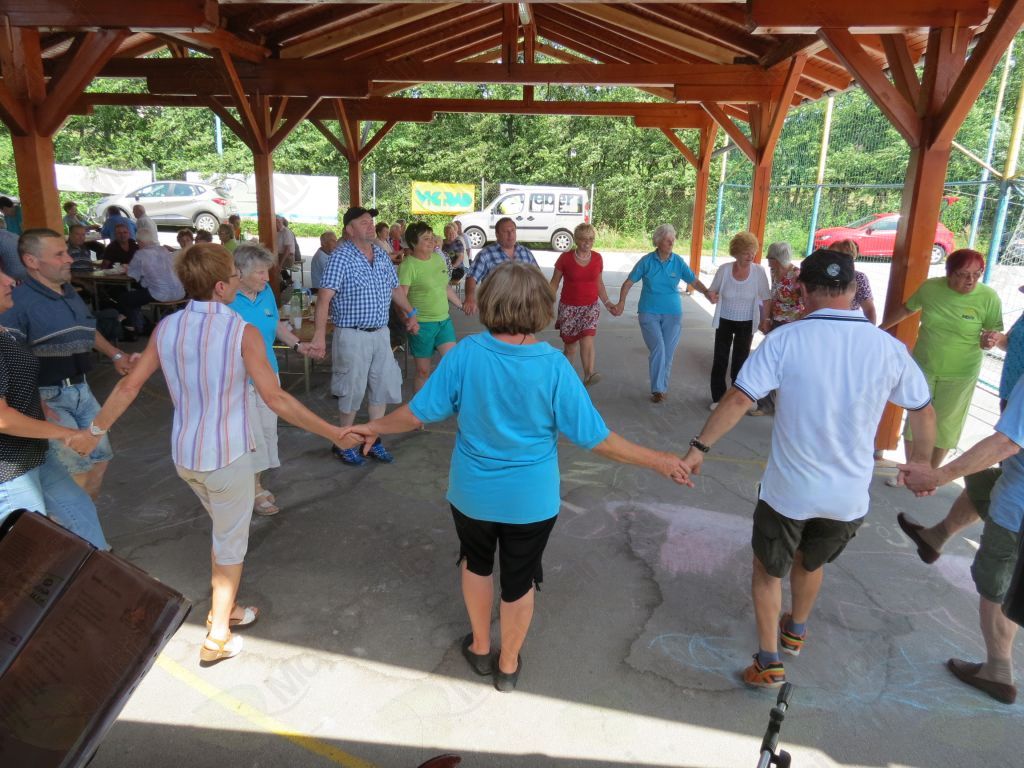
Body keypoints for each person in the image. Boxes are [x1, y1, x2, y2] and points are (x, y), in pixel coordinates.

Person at [341, 261, 691, 692]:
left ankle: (480, 647)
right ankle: (507, 665)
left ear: (490, 301)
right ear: (541, 305)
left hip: (473, 494)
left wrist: (372, 427)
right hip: (531, 501)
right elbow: (597, 439)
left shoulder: (466, 353)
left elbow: (416, 414)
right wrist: (658, 460)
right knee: (520, 577)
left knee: (476, 563)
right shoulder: (554, 366)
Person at [86, 243, 354, 665]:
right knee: (231, 543)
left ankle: (227, 609)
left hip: (185, 456)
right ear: (219, 286)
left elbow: (128, 385)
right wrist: (334, 432)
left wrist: (94, 430)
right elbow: (276, 399)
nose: (237, 279)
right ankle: (218, 634)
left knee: (225, 532)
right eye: (232, 275)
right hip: (227, 457)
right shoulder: (241, 332)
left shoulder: (167, 327)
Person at [679, 249, 936, 689]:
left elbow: (739, 398)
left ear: (801, 290)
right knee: (811, 561)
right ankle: (795, 630)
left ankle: (768, 662)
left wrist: (699, 448)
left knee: (768, 570)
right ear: (853, 289)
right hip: (847, 498)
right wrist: (922, 463)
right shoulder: (888, 348)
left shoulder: (786, 340)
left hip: (788, 492)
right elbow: (923, 410)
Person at [898, 377, 1024, 705]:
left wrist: (937, 476)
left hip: (1018, 511)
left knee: (996, 583)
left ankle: (998, 670)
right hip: (1012, 486)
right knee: (982, 480)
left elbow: (1005, 443)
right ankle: (935, 537)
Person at [0, 229, 132, 501]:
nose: (69, 259)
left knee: (100, 458)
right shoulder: (18, 303)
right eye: (59, 254)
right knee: (75, 472)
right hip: (49, 395)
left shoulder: (68, 291)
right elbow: (11, 358)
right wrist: (34, 400)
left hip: (82, 389)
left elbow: (85, 329)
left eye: (67, 252)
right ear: (32, 261)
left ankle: (87, 521)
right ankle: (74, 525)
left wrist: (115, 355)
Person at [0, 267, 109, 548]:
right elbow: (2, 419)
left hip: (34, 453)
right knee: (26, 548)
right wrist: (66, 433)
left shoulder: (4, 331)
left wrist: (36, 402)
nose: (10, 281)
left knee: (79, 510)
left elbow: (16, 376)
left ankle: (97, 569)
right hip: (8, 469)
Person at [309, 206, 420, 466]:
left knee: (381, 387)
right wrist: (318, 336)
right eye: (363, 222)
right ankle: (343, 441)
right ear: (349, 229)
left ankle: (373, 439)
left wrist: (410, 312)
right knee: (351, 390)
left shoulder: (380, 255)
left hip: (381, 334)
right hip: (352, 335)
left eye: (371, 221)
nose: (370, 226)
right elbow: (324, 298)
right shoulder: (341, 256)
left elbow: (394, 289)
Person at [881, 248, 1002, 471]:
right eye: (963, 274)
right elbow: (907, 309)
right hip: (924, 365)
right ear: (949, 273)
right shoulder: (930, 288)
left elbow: (994, 333)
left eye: (977, 274)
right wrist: (879, 329)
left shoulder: (988, 297)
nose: (971, 280)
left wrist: (989, 341)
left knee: (947, 424)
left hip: (961, 371)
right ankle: (912, 470)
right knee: (917, 417)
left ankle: (931, 474)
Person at [228, 242, 313, 517]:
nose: (267, 278)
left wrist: (298, 345)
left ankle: (255, 484)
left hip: (268, 373)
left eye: (267, 271)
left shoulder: (264, 293)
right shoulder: (226, 299)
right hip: (239, 378)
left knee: (266, 432)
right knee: (249, 436)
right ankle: (253, 490)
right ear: (239, 273)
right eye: (260, 272)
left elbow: (274, 323)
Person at [613, 223, 713, 403]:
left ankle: (661, 388)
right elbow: (628, 283)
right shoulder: (646, 261)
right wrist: (621, 302)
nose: (671, 243)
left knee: (667, 352)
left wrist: (707, 292)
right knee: (658, 348)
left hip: (673, 313)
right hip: (648, 312)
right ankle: (658, 388)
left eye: (673, 239)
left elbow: (694, 281)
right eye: (667, 240)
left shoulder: (678, 262)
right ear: (658, 241)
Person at [706, 232, 771, 412]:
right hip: (725, 320)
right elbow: (711, 291)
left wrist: (765, 319)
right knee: (720, 360)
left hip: (747, 322)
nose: (751, 256)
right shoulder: (724, 270)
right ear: (736, 253)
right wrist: (712, 296)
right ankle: (718, 398)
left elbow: (766, 298)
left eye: (753, 252)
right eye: (746, 253)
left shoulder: (759, 272)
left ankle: (739, 399)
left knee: (741, 362)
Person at [399, 222, 463, 392]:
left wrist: (461, 305)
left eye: (432, 237)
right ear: (413, 243)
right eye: (426, 238)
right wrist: (408, 319)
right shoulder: (408, 266)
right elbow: (400, 298)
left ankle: (446, 399)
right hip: (422, 325)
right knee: (423, 372)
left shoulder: (438, 259)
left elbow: (445, 287)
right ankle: (419, 407)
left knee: (453, 363)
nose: (432, 241)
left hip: (443, 321)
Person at [550, 222, 613, 386]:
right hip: (569, 308)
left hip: (590, 306)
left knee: (587, 337)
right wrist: (546, 301)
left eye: (591, 239)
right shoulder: (565, 258)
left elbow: (599, 283)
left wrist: (607, 303)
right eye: (584, 239)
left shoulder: (597, 258)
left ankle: (589, 374)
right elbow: (554, 282)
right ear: (576, 240)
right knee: (570, 348)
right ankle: (563, 380)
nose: (587, 242)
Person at [463, 218, 537, 314]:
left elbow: (537, 276)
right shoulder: (486, 254)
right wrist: (469, 298)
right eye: (506, 231)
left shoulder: (526, 252)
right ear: (497, 234)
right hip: (496, 309)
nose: (510, 234)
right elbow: (472, 277)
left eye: (513, 231)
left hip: (524, 307)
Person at [121, 231, 185, 335]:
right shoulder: (163, 250)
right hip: (179, 292)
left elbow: (132, 274)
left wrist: (126, 268)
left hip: (160, 294)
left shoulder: (140, 254)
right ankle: (144, 324)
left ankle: (133, 327)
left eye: (138, 242)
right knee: (139, 293)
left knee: (125, 298)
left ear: (141, 242)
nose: (137, 244)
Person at [830, 239, 877, 324]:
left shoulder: (858, 277)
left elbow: (869, 310)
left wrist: (870, 329)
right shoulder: (825, 276)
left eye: (835, 256)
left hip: (849, 323)